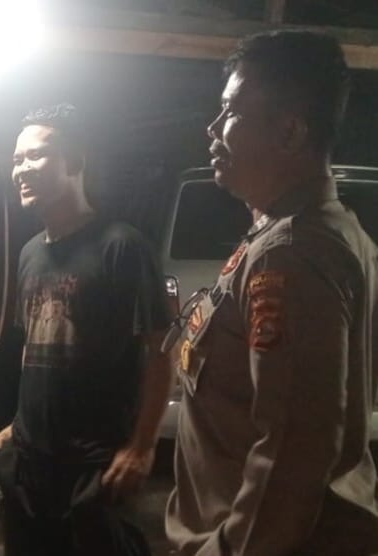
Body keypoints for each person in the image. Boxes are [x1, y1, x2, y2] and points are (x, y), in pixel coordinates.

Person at [166, 30, 378, 556]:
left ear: (289, 132)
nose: (213, 128)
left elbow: (292, 455)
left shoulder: (292, 251)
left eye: (232, 111)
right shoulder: (304, 230)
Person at [0, 103, 173, 556]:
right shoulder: (30, 253)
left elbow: (162, 348)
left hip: (94, 468)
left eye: (36, 156)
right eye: (16, 159)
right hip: (29, 466)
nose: (21, 169)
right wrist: (15, 425)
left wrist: (142, 446)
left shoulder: (122, 247)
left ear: (74, 160)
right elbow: (33, 344)